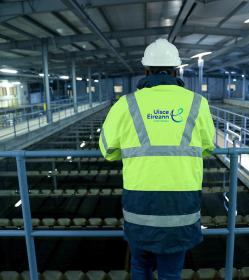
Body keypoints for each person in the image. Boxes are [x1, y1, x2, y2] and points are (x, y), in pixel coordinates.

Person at [99, 38, 215, 280]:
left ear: (145, 70)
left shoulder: (126, 104)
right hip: (181, 205)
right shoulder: (197, 103)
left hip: (140, 204)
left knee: (140, 266)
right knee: (171, 271)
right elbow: (207, 148)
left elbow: (108, 151)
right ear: (176, 70)